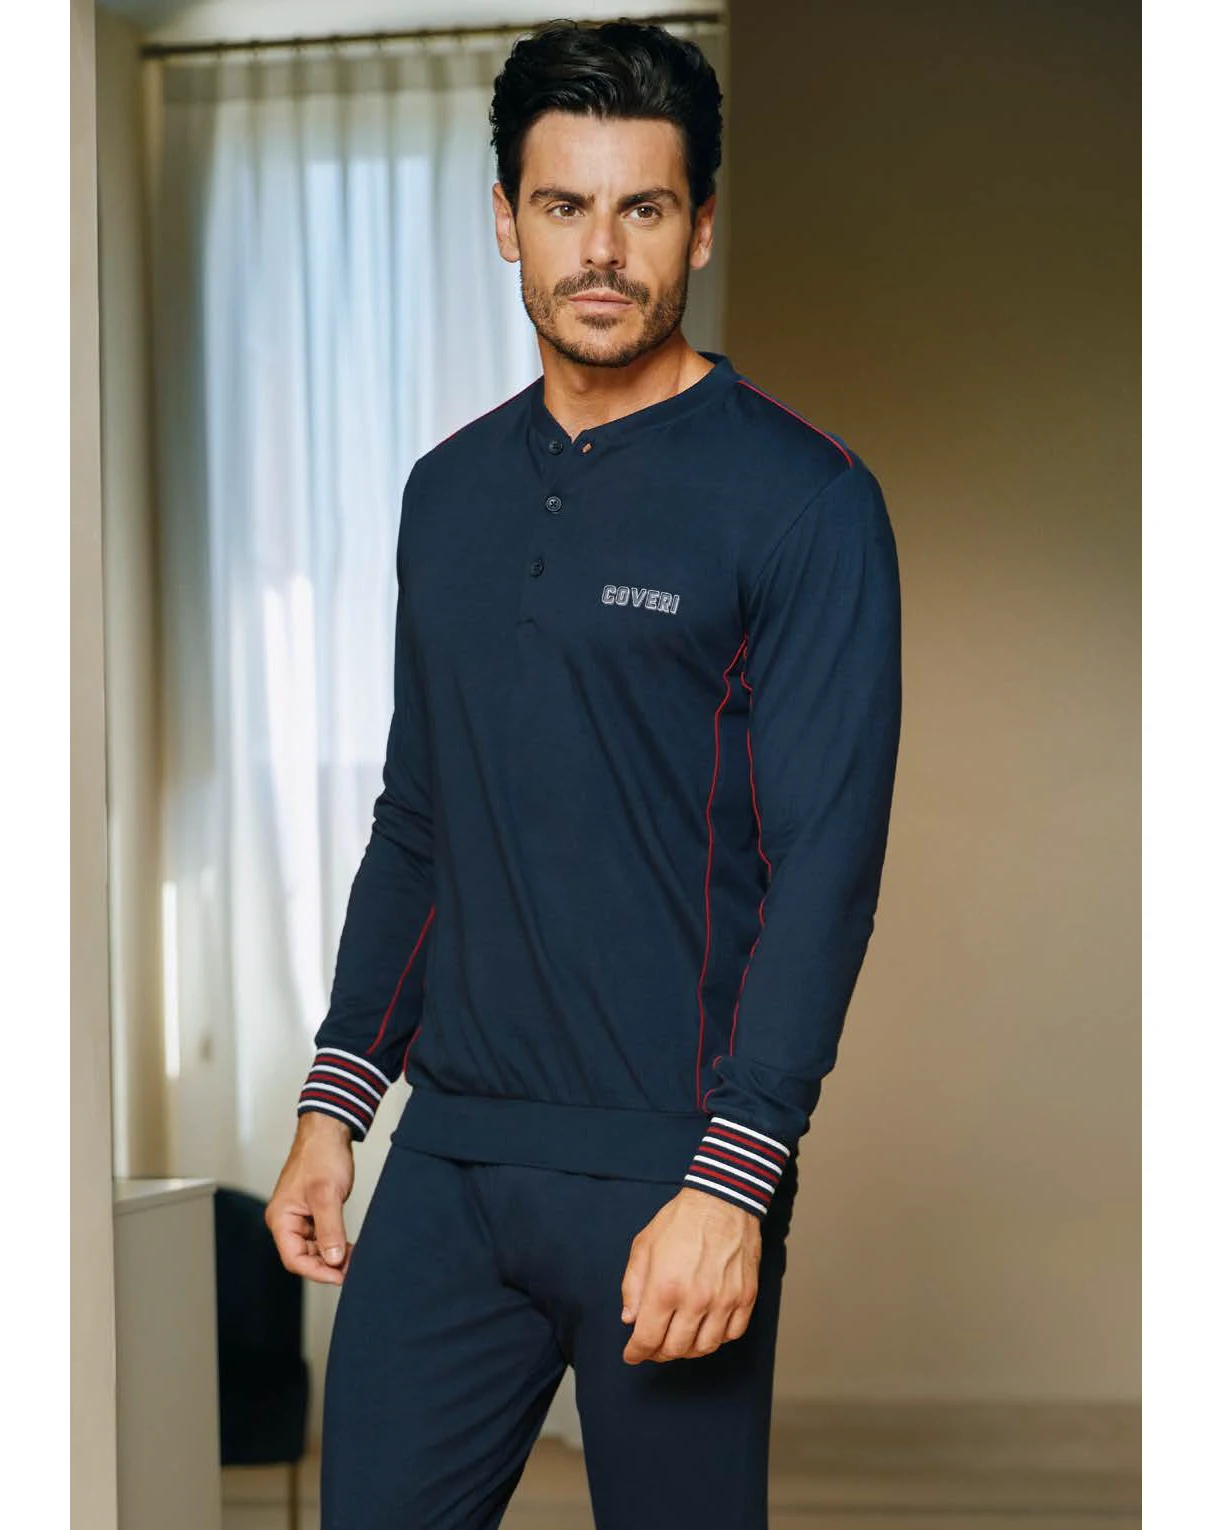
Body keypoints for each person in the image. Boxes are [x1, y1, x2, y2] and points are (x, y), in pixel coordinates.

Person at [266, 18, 902, 1529]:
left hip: (672, 1163)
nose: (600, 251)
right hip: (453, 1154)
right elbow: (421, 817)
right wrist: (336, 1101)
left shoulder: (804, 499)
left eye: (643, 207)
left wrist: (738, 1176)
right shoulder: (446, 494)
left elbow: (826, 860)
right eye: (563, 205)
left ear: (700, 225)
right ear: (507, 218)